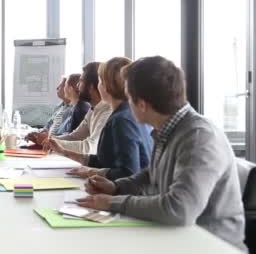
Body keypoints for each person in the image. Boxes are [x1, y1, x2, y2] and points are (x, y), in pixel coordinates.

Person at [75, 56, 246, 251]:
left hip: (208, 245)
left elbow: (180, 208)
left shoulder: (199, 137)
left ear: (142, 104)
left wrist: (113, 203)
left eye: (129, 98)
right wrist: (115, 187)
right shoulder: (168, 129)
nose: (127, 105)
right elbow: (151, 175)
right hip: (176, 237)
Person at [45, 57, 152, 180]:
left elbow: (128, 172)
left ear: (107, 86)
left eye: (100, 81)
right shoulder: (123, 113)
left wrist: (92, 172)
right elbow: (105, 161)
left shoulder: (122, 120)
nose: (98, 85)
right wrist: (63, 151)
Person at [29, 62, 112, 154]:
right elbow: (74, 137)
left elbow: (90, 147)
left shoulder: (107, 112)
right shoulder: (93, 109)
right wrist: (49, 139)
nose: (77, 86)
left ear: (91, 86)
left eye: (81, 81)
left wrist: (51, 142)